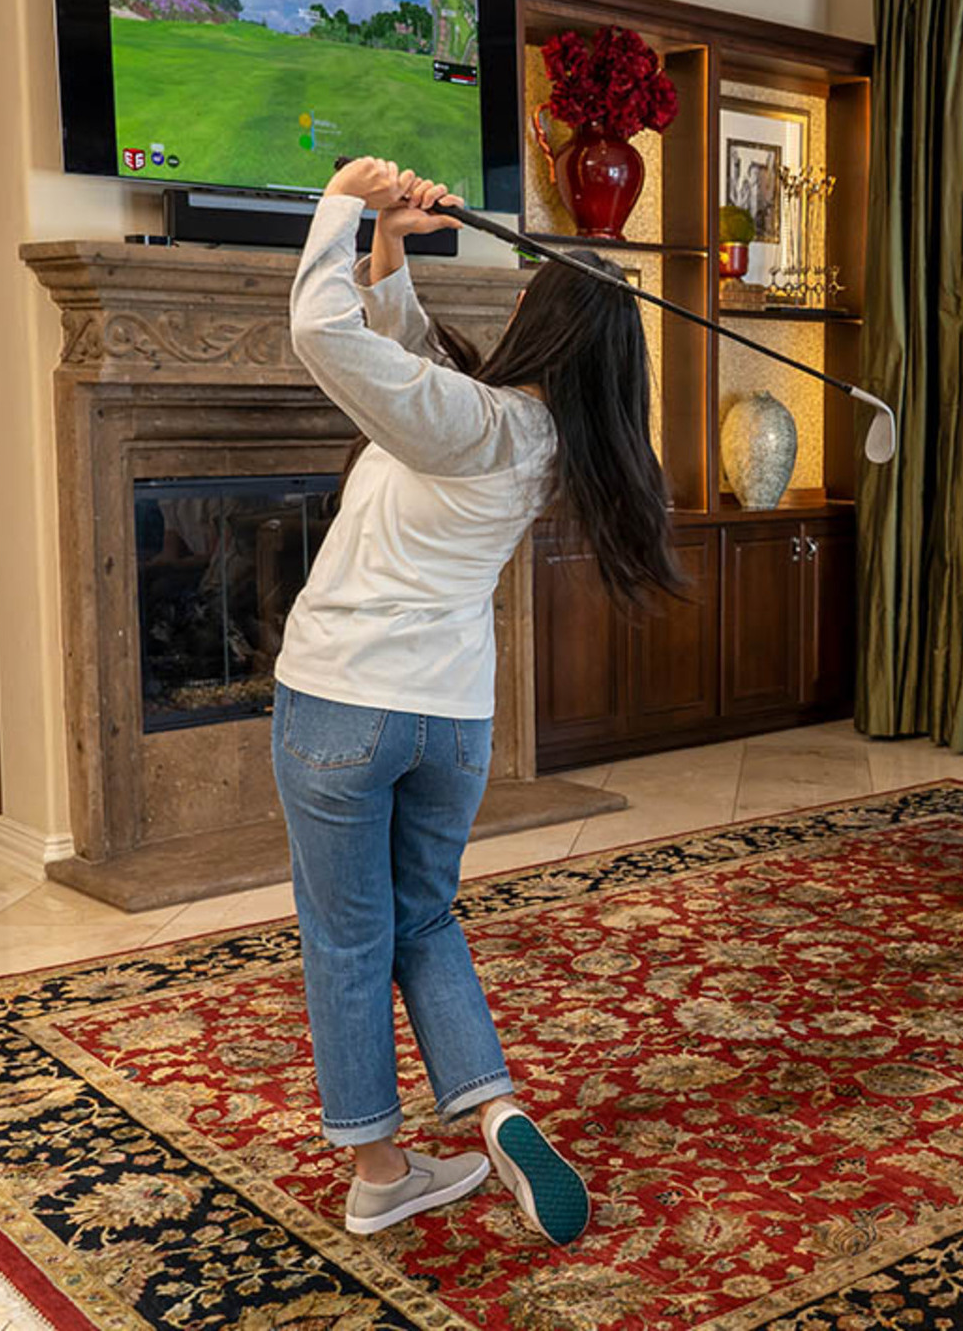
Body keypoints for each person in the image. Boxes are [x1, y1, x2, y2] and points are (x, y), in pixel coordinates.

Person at [275, 156, 679, 1243]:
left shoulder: (475, 421)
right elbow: (412, 378)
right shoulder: (545, 438)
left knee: (348, 935)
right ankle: (493, 1108)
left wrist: (341, 201)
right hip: (448, 720)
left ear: (539, 322)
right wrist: (390, 255)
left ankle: (379, 1169)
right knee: (422, 918)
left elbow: (323, 339)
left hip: (341, 707)